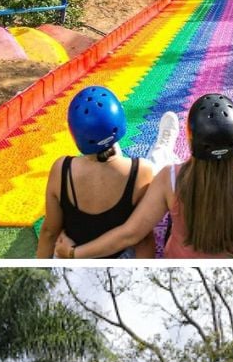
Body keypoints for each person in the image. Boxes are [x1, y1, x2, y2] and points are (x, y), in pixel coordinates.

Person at [53, 93, 233, 259]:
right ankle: (164, 146)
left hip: (179, 258)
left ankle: (164, 145)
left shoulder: (171, 179)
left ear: (191, 137)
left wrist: (76, 253)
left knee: (160, 163)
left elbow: (129, 233)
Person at [36, 85, 177, 258]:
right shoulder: (141, 170)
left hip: (69, 255)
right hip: (120, 257)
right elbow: (143, 239)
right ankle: (164, 146)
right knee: (156, 165)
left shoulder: (61, 169)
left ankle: (161, 147)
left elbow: (49, 232)